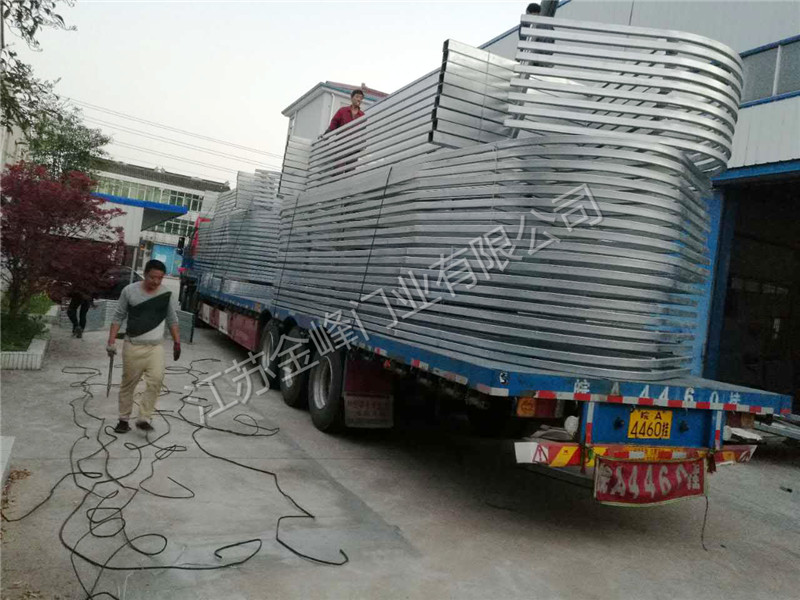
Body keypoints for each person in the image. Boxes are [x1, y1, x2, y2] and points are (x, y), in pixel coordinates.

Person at [107, 259, 181, 434]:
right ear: (145, 274)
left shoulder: (166, 294)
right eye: (152, 277)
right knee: (128, 384)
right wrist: (111, 341)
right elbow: (118, 316)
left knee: (156, 380)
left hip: (155, 348)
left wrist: (177, 342)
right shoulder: (129, 291)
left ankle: (144, 418)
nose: (156, 281)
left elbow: (172, 319)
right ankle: (123, 419)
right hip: (133, 346)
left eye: (160, 278)